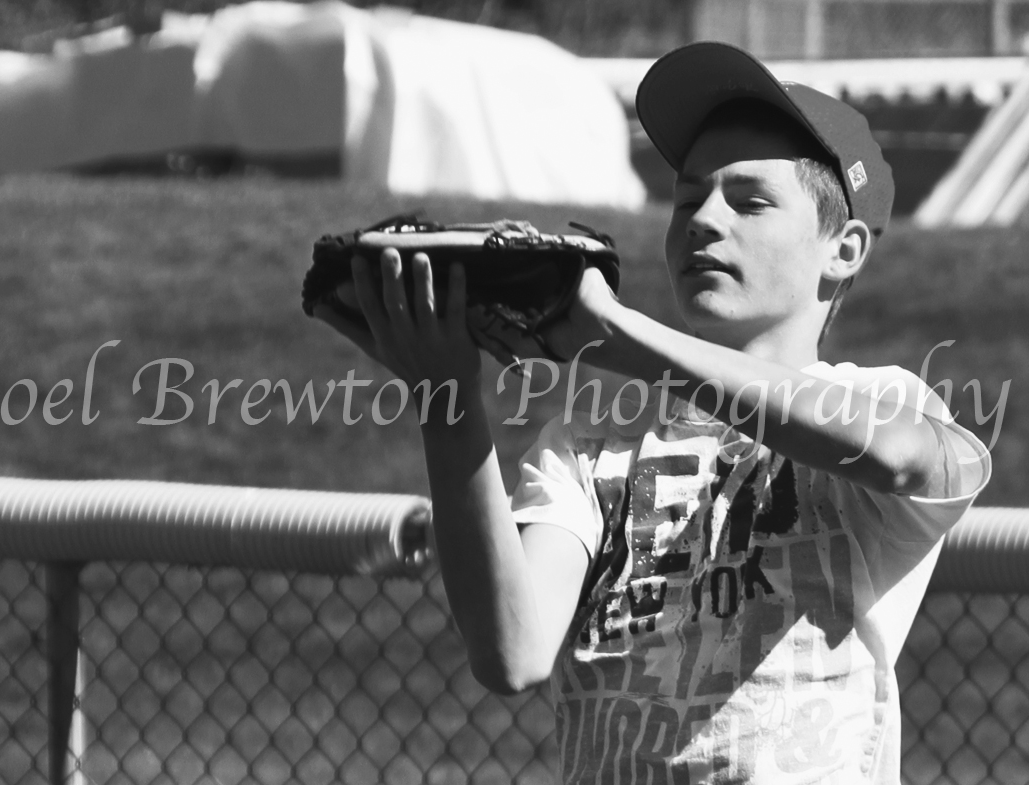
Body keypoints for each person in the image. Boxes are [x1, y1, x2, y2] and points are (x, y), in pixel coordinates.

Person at [315, 41, 990, 784]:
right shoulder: (589, 441)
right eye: (687, 195)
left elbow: (902, 455)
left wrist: (616, 337)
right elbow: (513, 650)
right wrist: (445, 398)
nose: (703, 218)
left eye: (750, 199)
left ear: (844, 249)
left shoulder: (883, 398)